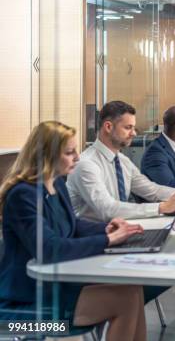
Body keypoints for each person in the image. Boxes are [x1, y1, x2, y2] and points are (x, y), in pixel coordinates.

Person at [0, 121, 147, 341]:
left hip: (52, 287)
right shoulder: (22, 195)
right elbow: (49, 249)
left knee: (133, 291)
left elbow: (71, 224)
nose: (77, 158)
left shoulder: (56, 183)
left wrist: (105, 229)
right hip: (24, 306)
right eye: (69, 152)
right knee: (124, 300)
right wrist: (107, 240)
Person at [67, 101, 175, 222]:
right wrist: (161, 207)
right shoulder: (86, 164)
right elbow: (107, 209)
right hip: (94, 238)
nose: (134, 133)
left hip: (118, 230)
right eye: (128, 128)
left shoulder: (122, 161)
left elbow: (152, 190)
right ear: (108, 127)